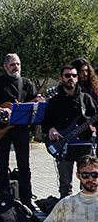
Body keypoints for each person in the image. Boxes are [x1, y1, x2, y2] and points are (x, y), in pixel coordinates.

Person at [0, 53, 43, 211]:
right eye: (12, 64)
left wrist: (38, 102)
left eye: (18, 64)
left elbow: (34, 104)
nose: (16, 67)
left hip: (21, 130)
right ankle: (4, 198)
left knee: (24, 166)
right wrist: (0, 110)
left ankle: (26, 200)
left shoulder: (26, 83)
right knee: (2, 166)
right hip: (1, 131)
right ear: (5, 66)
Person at [43, 65, 98, 199]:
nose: (71, 79)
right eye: (67, 76)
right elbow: (45, 123)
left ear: (77, 78)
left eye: (73, 76)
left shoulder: (85, 99)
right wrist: (51, 129)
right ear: (61, 79)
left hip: (84, 145)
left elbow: (95, 118)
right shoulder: (54, 101)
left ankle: (87, 211)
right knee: (65, 186)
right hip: (63, 146)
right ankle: (66, 213)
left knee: (87, 183)